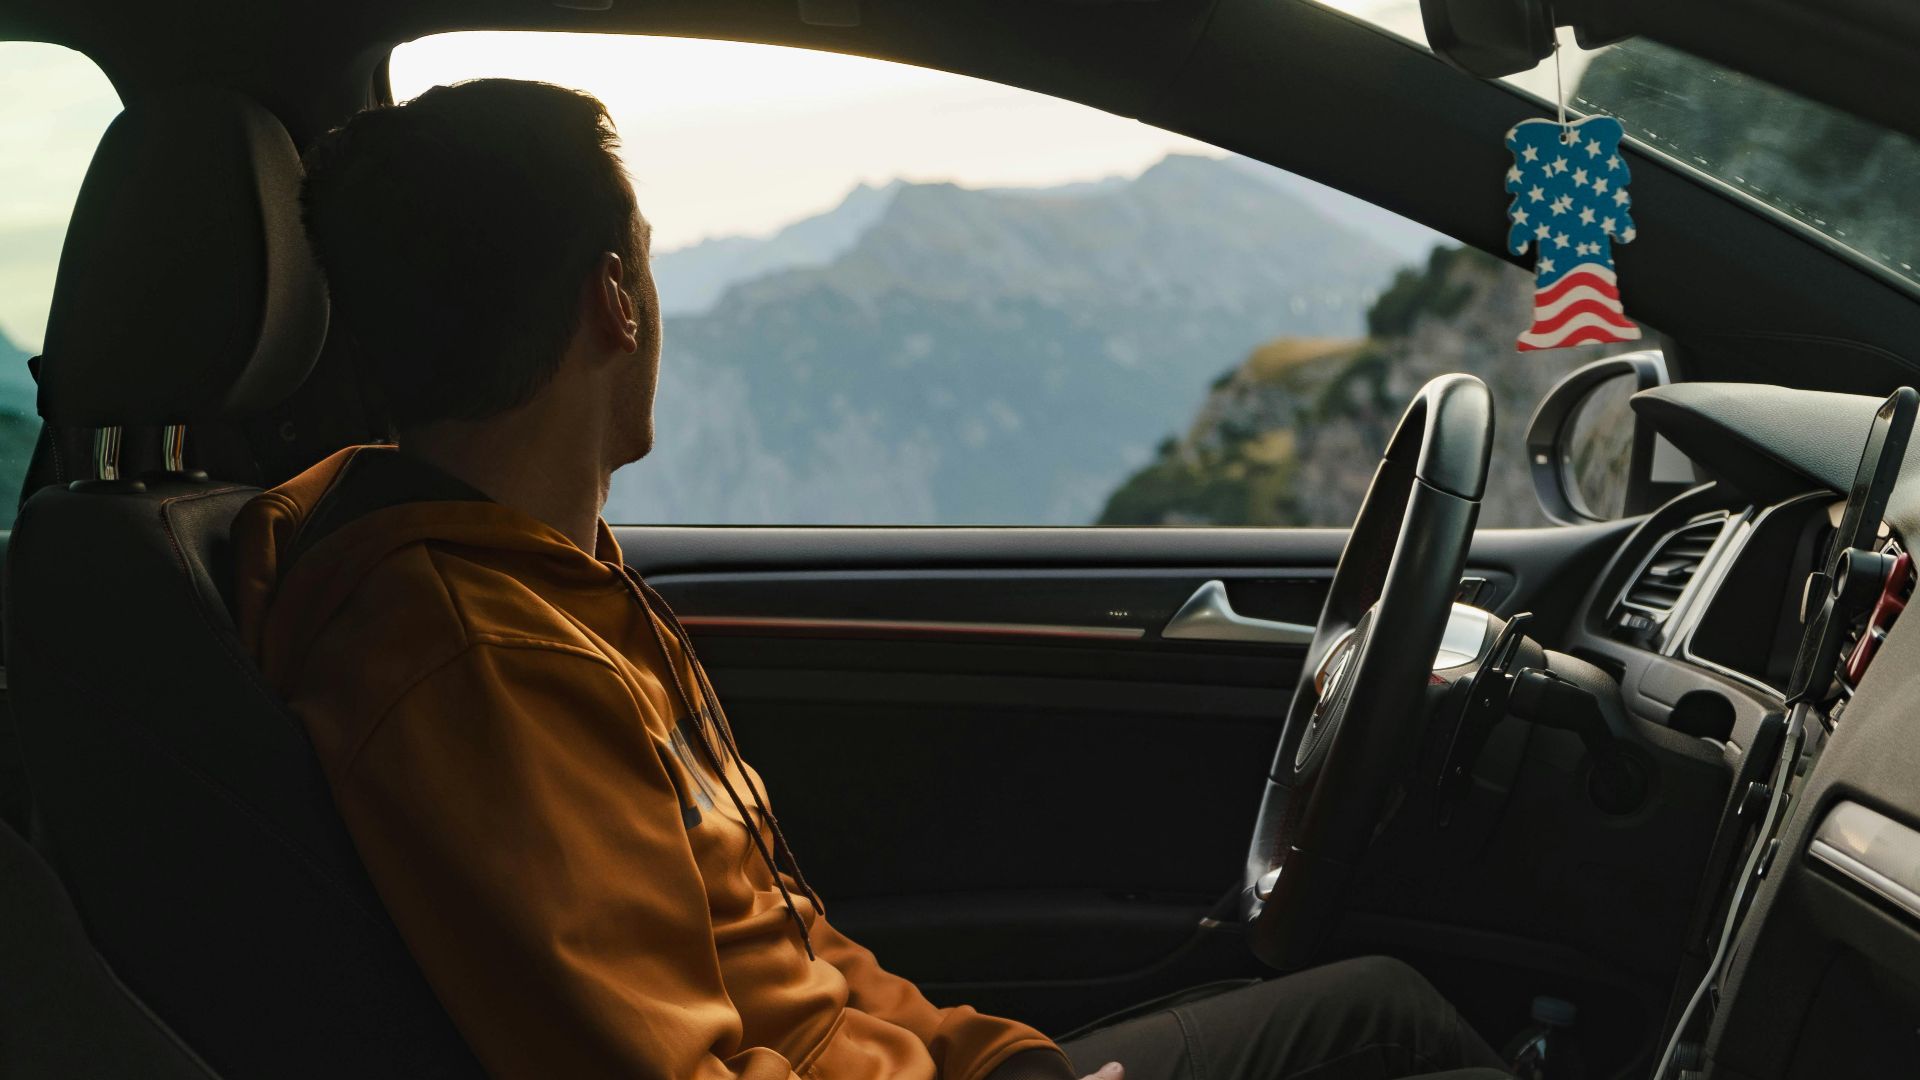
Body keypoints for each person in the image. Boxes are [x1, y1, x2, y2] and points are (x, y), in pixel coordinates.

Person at [230, 78, 1511, 1080]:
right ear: (613, 300)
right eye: (650, 258)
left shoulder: (538, 586)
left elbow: (785, 961)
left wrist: (998, 1065)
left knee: (1381, 1007)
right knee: (1392, 1031)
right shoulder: (479, 662)